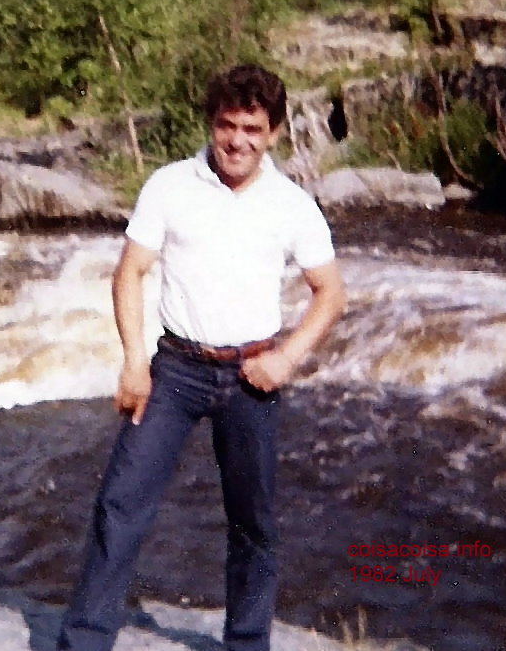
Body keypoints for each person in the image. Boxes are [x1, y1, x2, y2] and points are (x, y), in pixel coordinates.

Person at [57, 63, 346, 651]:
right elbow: (130, 272)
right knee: (120, 503)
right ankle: (83, 642)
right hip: (176, 371)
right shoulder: (169, 185)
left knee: (253, 525)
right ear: (211, 123)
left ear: (272, 134)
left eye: (251, 128)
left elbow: (331, 293)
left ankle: (246, 644)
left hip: (251, 377)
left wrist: (286, 360)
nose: (236, 140)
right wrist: (134, 362)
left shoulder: (292, 204)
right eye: (226, 124)